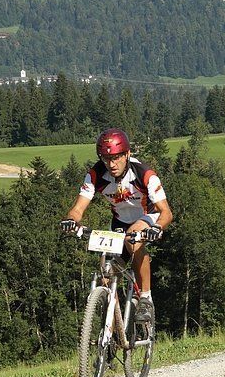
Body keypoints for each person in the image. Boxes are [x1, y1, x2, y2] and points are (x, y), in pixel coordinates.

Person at [60, 128, 173, 324]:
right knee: (107, 275)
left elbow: (167, 213)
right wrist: (71, 220)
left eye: (116, 158)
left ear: (127, 154)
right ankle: (111, 330)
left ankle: (145, 298)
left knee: (133, 239)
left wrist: (157, 228)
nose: (111, 164)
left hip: (148, 217)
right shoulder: (95, 175)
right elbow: (78, 209)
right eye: (106, 159)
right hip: (119, 223)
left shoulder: (144, 174)